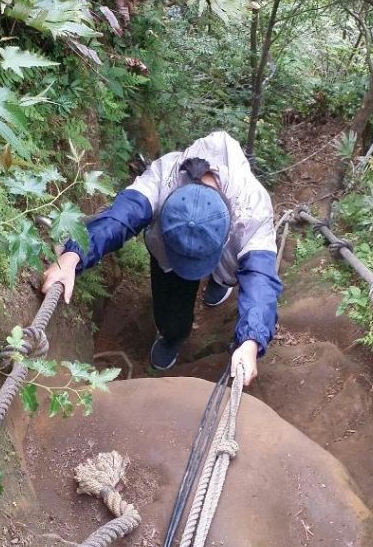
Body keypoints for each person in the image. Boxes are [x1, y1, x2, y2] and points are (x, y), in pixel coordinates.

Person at [41, 131, 282, 385]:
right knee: (172, 313)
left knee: (233, 272)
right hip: (169, 255)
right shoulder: (165, 177)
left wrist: (251, 341)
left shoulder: (252, 209)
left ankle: (220, 281)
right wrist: (73, 254)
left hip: (229, 254)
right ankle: (173, 335)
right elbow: (122, 216)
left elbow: (259, 278)